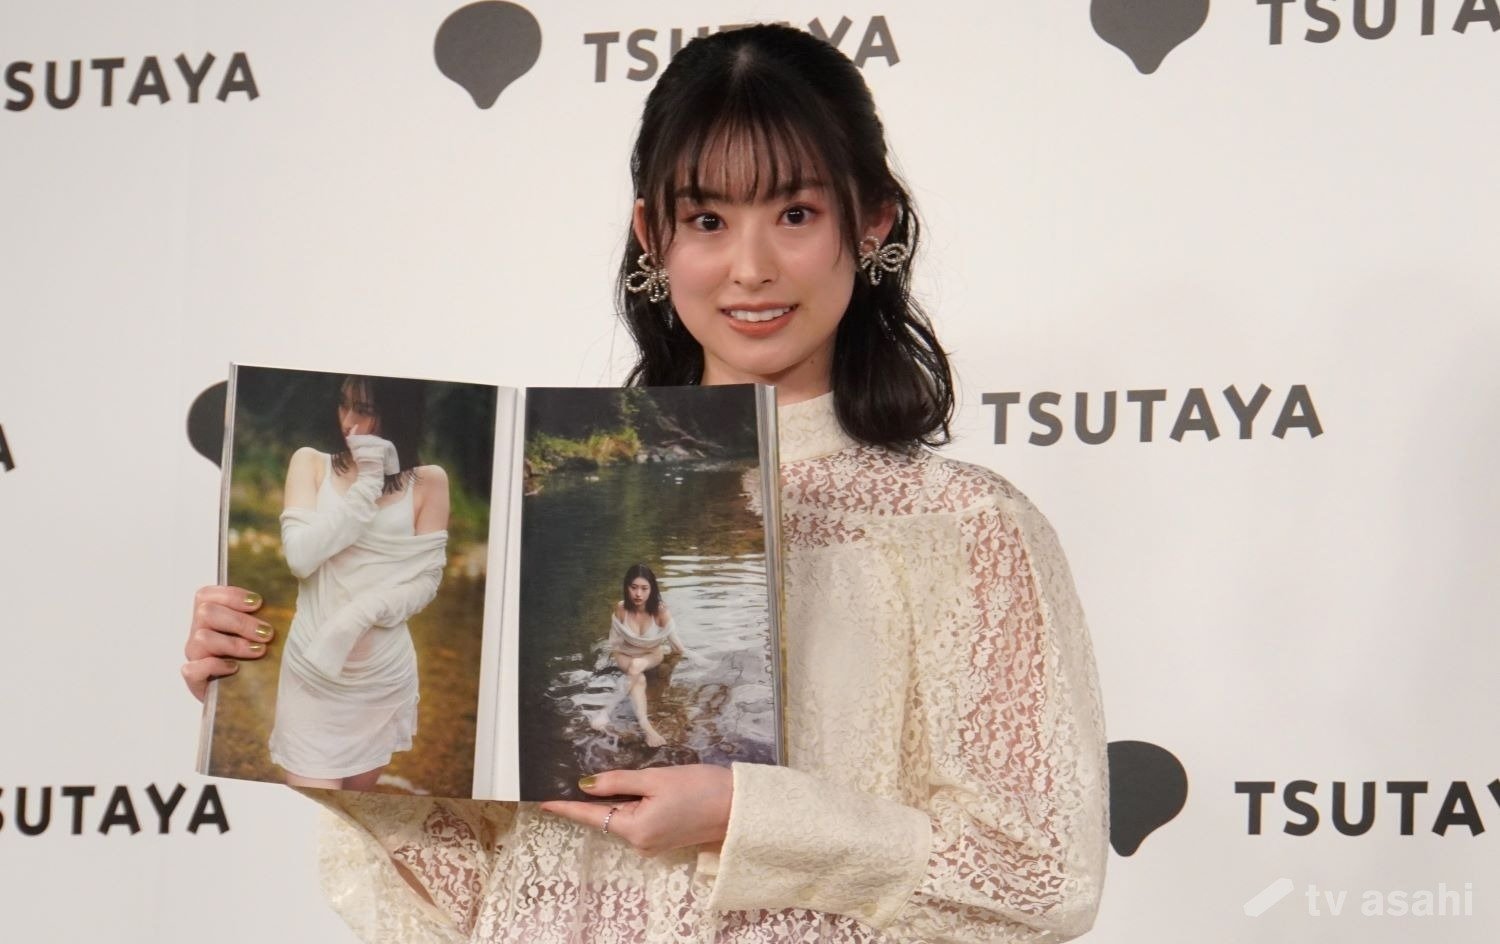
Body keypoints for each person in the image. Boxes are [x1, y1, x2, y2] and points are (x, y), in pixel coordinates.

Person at [181, 24, 1107, 943]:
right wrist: (266, 681)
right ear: (651, 237)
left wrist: (748, 815)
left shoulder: (963, 525)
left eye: (795, 214)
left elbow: (1038, 875)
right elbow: (476, 886)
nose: (751, 268)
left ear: (873, 222)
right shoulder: (538, 499)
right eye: (707, 221)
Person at [266, 375, 450, 790]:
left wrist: (359, 615)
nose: (349, 422)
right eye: (344, 404)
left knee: (353, 812)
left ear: (397, 414)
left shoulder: (429, 481)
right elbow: (300, 558)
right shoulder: (311, 463)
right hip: (313, 667)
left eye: (365, 410)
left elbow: (425, 582)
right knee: (314, 813)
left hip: (381, 675)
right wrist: (366, 483)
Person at [607, 563, 689, 747]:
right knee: (638, 675)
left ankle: (605, 712)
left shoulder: (660, 612)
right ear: (627, 587)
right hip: (625, 655)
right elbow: (614, 643)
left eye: (644, 588)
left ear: (652, 590)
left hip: (652, 656)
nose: (638, 594)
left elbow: (676, 644)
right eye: (634, 587)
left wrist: (688, 659)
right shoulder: (621, 609)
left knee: (637, 666)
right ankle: (646, 727)